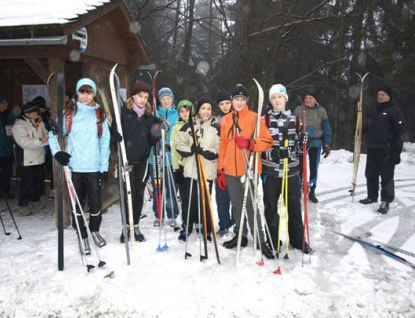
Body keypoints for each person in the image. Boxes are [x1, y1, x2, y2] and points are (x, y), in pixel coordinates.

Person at [49, 78, 110, 255]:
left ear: (94, 94)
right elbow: (54, 135)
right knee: (76, 204)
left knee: (96, 203)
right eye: (82, 92)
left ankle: (94, 230)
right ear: (77, 93)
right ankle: (82, 234)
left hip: (93, 166)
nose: (85, 96)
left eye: (89, 92)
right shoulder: (68, 114)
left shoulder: (100, 115)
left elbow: (104, 142)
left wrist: (103, 167)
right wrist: (57, 153)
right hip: (75, 167)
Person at [217, 84, 275, 259]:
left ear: (246, 101)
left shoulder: (255, 118)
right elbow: (223, 146)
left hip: (248, 169)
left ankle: (260, 239)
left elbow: (267, 141)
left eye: (242, 99)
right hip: (230, 171)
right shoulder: (227, 119)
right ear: (232, 101)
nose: (239, 102)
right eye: (236, 99)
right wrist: (221, 169)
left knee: (251, 206)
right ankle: (240, 235)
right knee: (236, 206)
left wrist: (250, 144)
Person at [262, 84, 313, 254]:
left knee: (294, 208)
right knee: (271, 208)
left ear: (285, 98)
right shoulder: (265, 121)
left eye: (279, 97)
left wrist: (304, 142)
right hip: (271, 173)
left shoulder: (295, 120)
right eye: (273, 97)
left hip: (291, 171)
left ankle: (298, 240)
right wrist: (274, 153)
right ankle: (273, 240)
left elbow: (299, 149)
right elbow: (260, 146)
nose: (277, 100)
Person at [118, 81, 160, 243]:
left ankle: (135, 225)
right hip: (126, 160)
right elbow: (114, 132)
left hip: (142, 160)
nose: (142, 100)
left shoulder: (149, 116)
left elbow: (150, 141)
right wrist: (115, 136)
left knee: (138, 195)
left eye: (145, 97)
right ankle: (126, 228)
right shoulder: (123, 112)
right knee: (127, 195)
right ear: (133, 96)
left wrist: (157, 131)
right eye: (140, 96)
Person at [174, 97, 219, 242]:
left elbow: (218, 147)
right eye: (203, 108)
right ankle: (187, 226)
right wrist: (190, 149)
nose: (206, 112)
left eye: (209, 109)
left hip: (207, 169)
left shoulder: (215, 127)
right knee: (189, 199)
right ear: (198, 110)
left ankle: (205, 226)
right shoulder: (189, 125)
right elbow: (178, 143)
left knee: (205, 199)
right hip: (191, 170)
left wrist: (204, 151)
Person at [359, 85, 404, 214]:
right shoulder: (374, 109)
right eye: (379, 94)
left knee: (386, 176)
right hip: (373, 147)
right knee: (370, 174)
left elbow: (398, 133)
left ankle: (386, 201)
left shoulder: (395, 111)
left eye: (383, 94)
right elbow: (368, 124)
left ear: (389, 96)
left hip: (387, 149)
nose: (380, 97)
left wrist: (397, 151)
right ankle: (371, 196)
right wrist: (362, 128)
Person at [148, 87, 179, 227]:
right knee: (157, 187)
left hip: (171, 158)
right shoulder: (154, 114)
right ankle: (158, 214)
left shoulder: (177, 115)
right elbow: (149, 134)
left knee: (172, 188)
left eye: (169, 98)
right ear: (160, 101)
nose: (166, 101)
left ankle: (172, 214)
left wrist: (169, 144)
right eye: (163, 99)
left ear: (172, 99)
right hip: (155, 157)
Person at [294, 90, 332, 203]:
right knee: (299, 166)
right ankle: (300, 187)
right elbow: (292, 125)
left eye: (310, 98)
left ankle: (312, 189)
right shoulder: (298, 110)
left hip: (315, 142)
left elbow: (326, 128)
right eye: (306, 98)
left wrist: (327, 144)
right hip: (301, 142)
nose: (308, 100)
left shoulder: (321, 111)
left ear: (315, 100)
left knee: (313, 167)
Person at [12, 102, 48, 216]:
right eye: (35, 112)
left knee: (37, 181)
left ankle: (34, 200)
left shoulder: (38, 121)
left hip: (38, 156)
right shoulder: (19, 125)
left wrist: (45, 138)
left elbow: (45, 132)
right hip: (26, 158)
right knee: (26, 182)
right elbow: (24, 142)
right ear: (27, 113)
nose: (37, 114)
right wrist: (39, 141)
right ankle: (23, 204)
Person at [170, 99, 193, 222]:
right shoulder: (176, 128)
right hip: (183, 166)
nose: (185, 114)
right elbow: (174, 149)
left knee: (196, 196)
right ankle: (186, 222)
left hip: (196, 167)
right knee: (185, 197)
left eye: (187, 110)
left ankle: (200, 223)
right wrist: (176, 169)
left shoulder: (197, 124)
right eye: (182, 111)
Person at [214, 91, 233, 236]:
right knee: (222, 197)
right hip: (220, 164)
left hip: (236, 164)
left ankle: (237, 221)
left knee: (236, 197)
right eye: (222, 104)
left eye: (227, 103)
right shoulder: (216, 121)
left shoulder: (238, 117)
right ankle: (224, 224)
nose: (225, 106)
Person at [32, 96, 54, 200]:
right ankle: (40, 190)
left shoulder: (49, 116)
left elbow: (51, 130)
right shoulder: (37, 116)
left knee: (52, 169)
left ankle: (53, 190)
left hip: (50, 147)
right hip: (40, 146)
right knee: (39, 169)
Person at [0, 93, 16, 200]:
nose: (6, 105)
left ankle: (5, 191)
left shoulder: (9, 115)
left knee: (7, 172)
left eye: (6, 102)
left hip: (7, 149)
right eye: (3, 103)